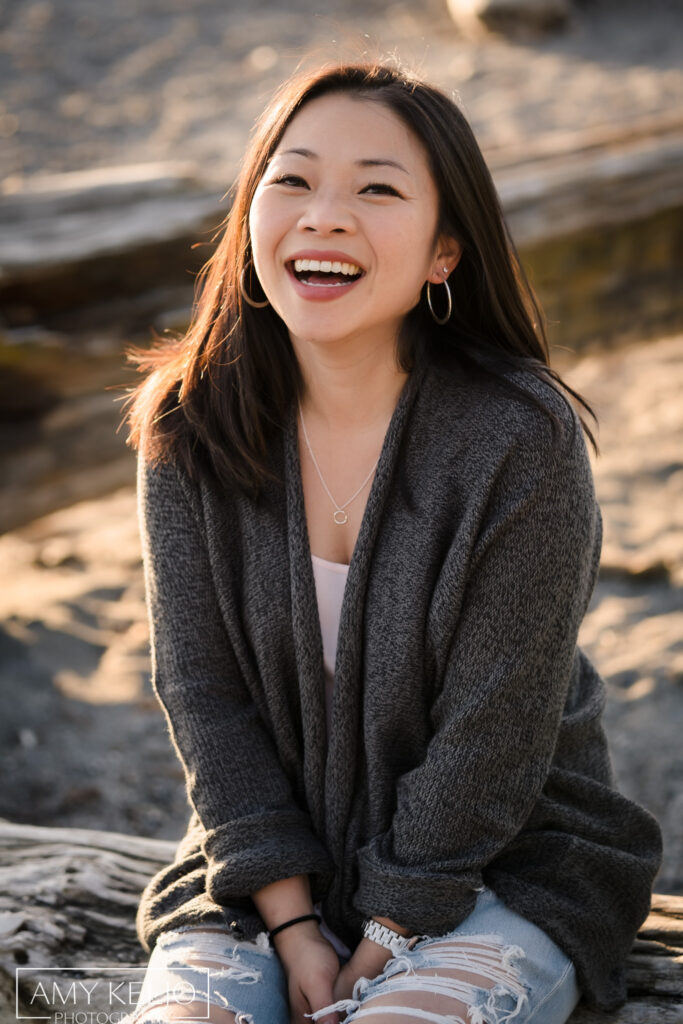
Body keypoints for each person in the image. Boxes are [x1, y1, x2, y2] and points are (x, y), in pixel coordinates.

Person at [124, 60, 662, 1024]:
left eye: (376, 188)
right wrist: (292, 926)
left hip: (505, 863)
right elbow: (201, 693)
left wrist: (389, 934)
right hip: (266, 871)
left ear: (442, 254)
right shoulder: (189, 423)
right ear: (251, 214)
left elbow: (493, 733)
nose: (324, 214)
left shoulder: (518, 439)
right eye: (292, 179)